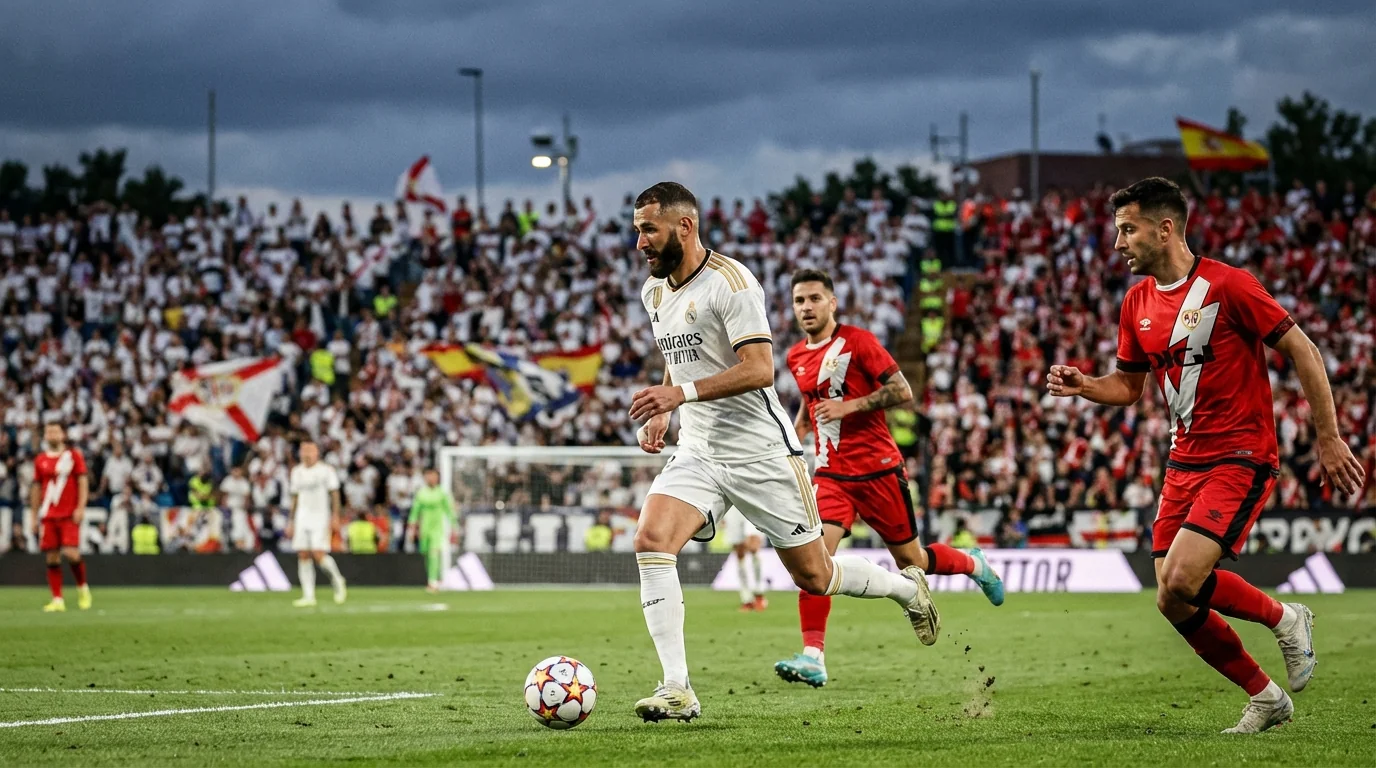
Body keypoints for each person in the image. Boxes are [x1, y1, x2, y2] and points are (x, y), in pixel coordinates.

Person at [1047, 177, 1365, 734]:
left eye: (1128, 229)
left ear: (1165, 228)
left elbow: (1303, 349)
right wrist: (1084, 385)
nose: (1118, 242)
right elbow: (1128, 386)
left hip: (1240, 452)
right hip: (1183, 461)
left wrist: (1329, 436)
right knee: (1171, 599)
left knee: (1184, 577)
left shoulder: (1229, 285)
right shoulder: (1136, 302)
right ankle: (1266, 697)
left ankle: (1287, 617)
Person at [627, 182, 937, 723]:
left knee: (815, 576)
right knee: (651, 540)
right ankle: (677, 688)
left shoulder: (733, 283)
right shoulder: (654, 294)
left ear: (685, 226)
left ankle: (906, 590)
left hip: (761, 453)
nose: (640, 244)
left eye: (649, 230)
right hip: (700, 449)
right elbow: (679, 360)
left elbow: (759, 369)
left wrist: (679, 394)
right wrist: (664, 407)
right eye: (637, 231)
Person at [774, 269, 1004, 688]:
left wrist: (851, 407)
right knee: (813, 561)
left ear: (832, 302)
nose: (806, 307)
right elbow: (813, 401)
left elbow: (902, 391)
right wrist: (799, 428)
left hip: (880, 470)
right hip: (831, 475)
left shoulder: (858, 342)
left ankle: (974, 563)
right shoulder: (794, 356)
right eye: (799, 301)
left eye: (813, 299)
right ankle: (814, 656)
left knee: (912, 562)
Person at [32, 423, 91, 612]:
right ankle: (57, 599)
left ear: (63, 434)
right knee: (52, 557)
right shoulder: (40, 460)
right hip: (49, 514)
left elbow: (82, 481)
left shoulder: (72, 456)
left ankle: (83, 588)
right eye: (48, 431)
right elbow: (36, 488)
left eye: (55, 431)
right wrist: (34, 515)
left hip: (68, 513)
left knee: (71, 553)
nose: (51, 434)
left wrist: (81, 507)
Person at [286, 440, 347, 606]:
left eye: (309, 450)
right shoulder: (296, 472)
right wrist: (290, 521)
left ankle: (337, 580)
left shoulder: (326, 471)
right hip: (302, 517)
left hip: (320, 516)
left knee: (319, 554)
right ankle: (309, 595)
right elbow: (295, 497)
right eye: (303, 450)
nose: (306, 454)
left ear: (316, 453)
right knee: (303, 554)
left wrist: (335, 516)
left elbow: (334, 494)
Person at [407, 468, 457, 593]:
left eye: (433, 476)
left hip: (438, 529)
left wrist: (454, 528)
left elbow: (449, 511)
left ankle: (433, 581)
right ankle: (434, 577)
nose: (431, 478)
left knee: (434, 553)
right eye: (428, 476)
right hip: (424, 529)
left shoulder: (442, 493)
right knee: (427, 555)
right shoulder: (421, 493)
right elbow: (414, 512)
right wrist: (412, 529)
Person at [722, 507, 766, 612]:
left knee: (753, 547)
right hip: (732, 507)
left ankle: (759, 593)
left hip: (751, 502)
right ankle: (747, 598)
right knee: (739, 552)